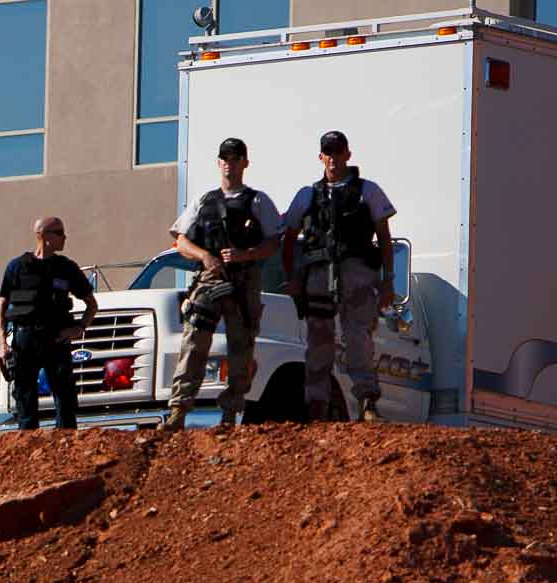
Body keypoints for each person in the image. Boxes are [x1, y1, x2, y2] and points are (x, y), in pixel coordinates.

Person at [159, 138, 284, 432]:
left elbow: (274, 241)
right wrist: (205, 256)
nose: (230, 163)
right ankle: (178, 410)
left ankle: (230, 414)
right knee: (193, 344)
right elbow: (180, 239)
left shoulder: (257, 201)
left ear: (245, 162)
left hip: (243, 281)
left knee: (242, 349)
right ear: (218, 163)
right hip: (211, 279)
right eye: (225, 158)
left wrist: (247, 254)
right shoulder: (205, 201)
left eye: (235, 157)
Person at [280, 129, 398, 423]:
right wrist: (293, 278)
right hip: (319, 273)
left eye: (338, 151)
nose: (333, 158)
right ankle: (317, 405)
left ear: (348, 154)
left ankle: (367, 401)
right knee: (319, 340)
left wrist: (387, 280)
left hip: (357, 272)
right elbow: (289, 235)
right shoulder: (307, 194)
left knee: (358, 337)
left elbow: (384, 237)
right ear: (321, 157)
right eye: (327, 152)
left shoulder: (368, 190)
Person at [0, 216, 98, 432]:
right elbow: (2, 306)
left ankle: (66, 445)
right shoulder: (17, 267)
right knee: (25, 397)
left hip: (56, 338)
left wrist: (78, 328)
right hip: (25, 339)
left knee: (64, 396)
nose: (64, 237)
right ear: (42, 235)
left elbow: (91, 304)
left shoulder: (67, 268)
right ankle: (28, 446)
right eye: (59, 232)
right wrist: (3, 344)